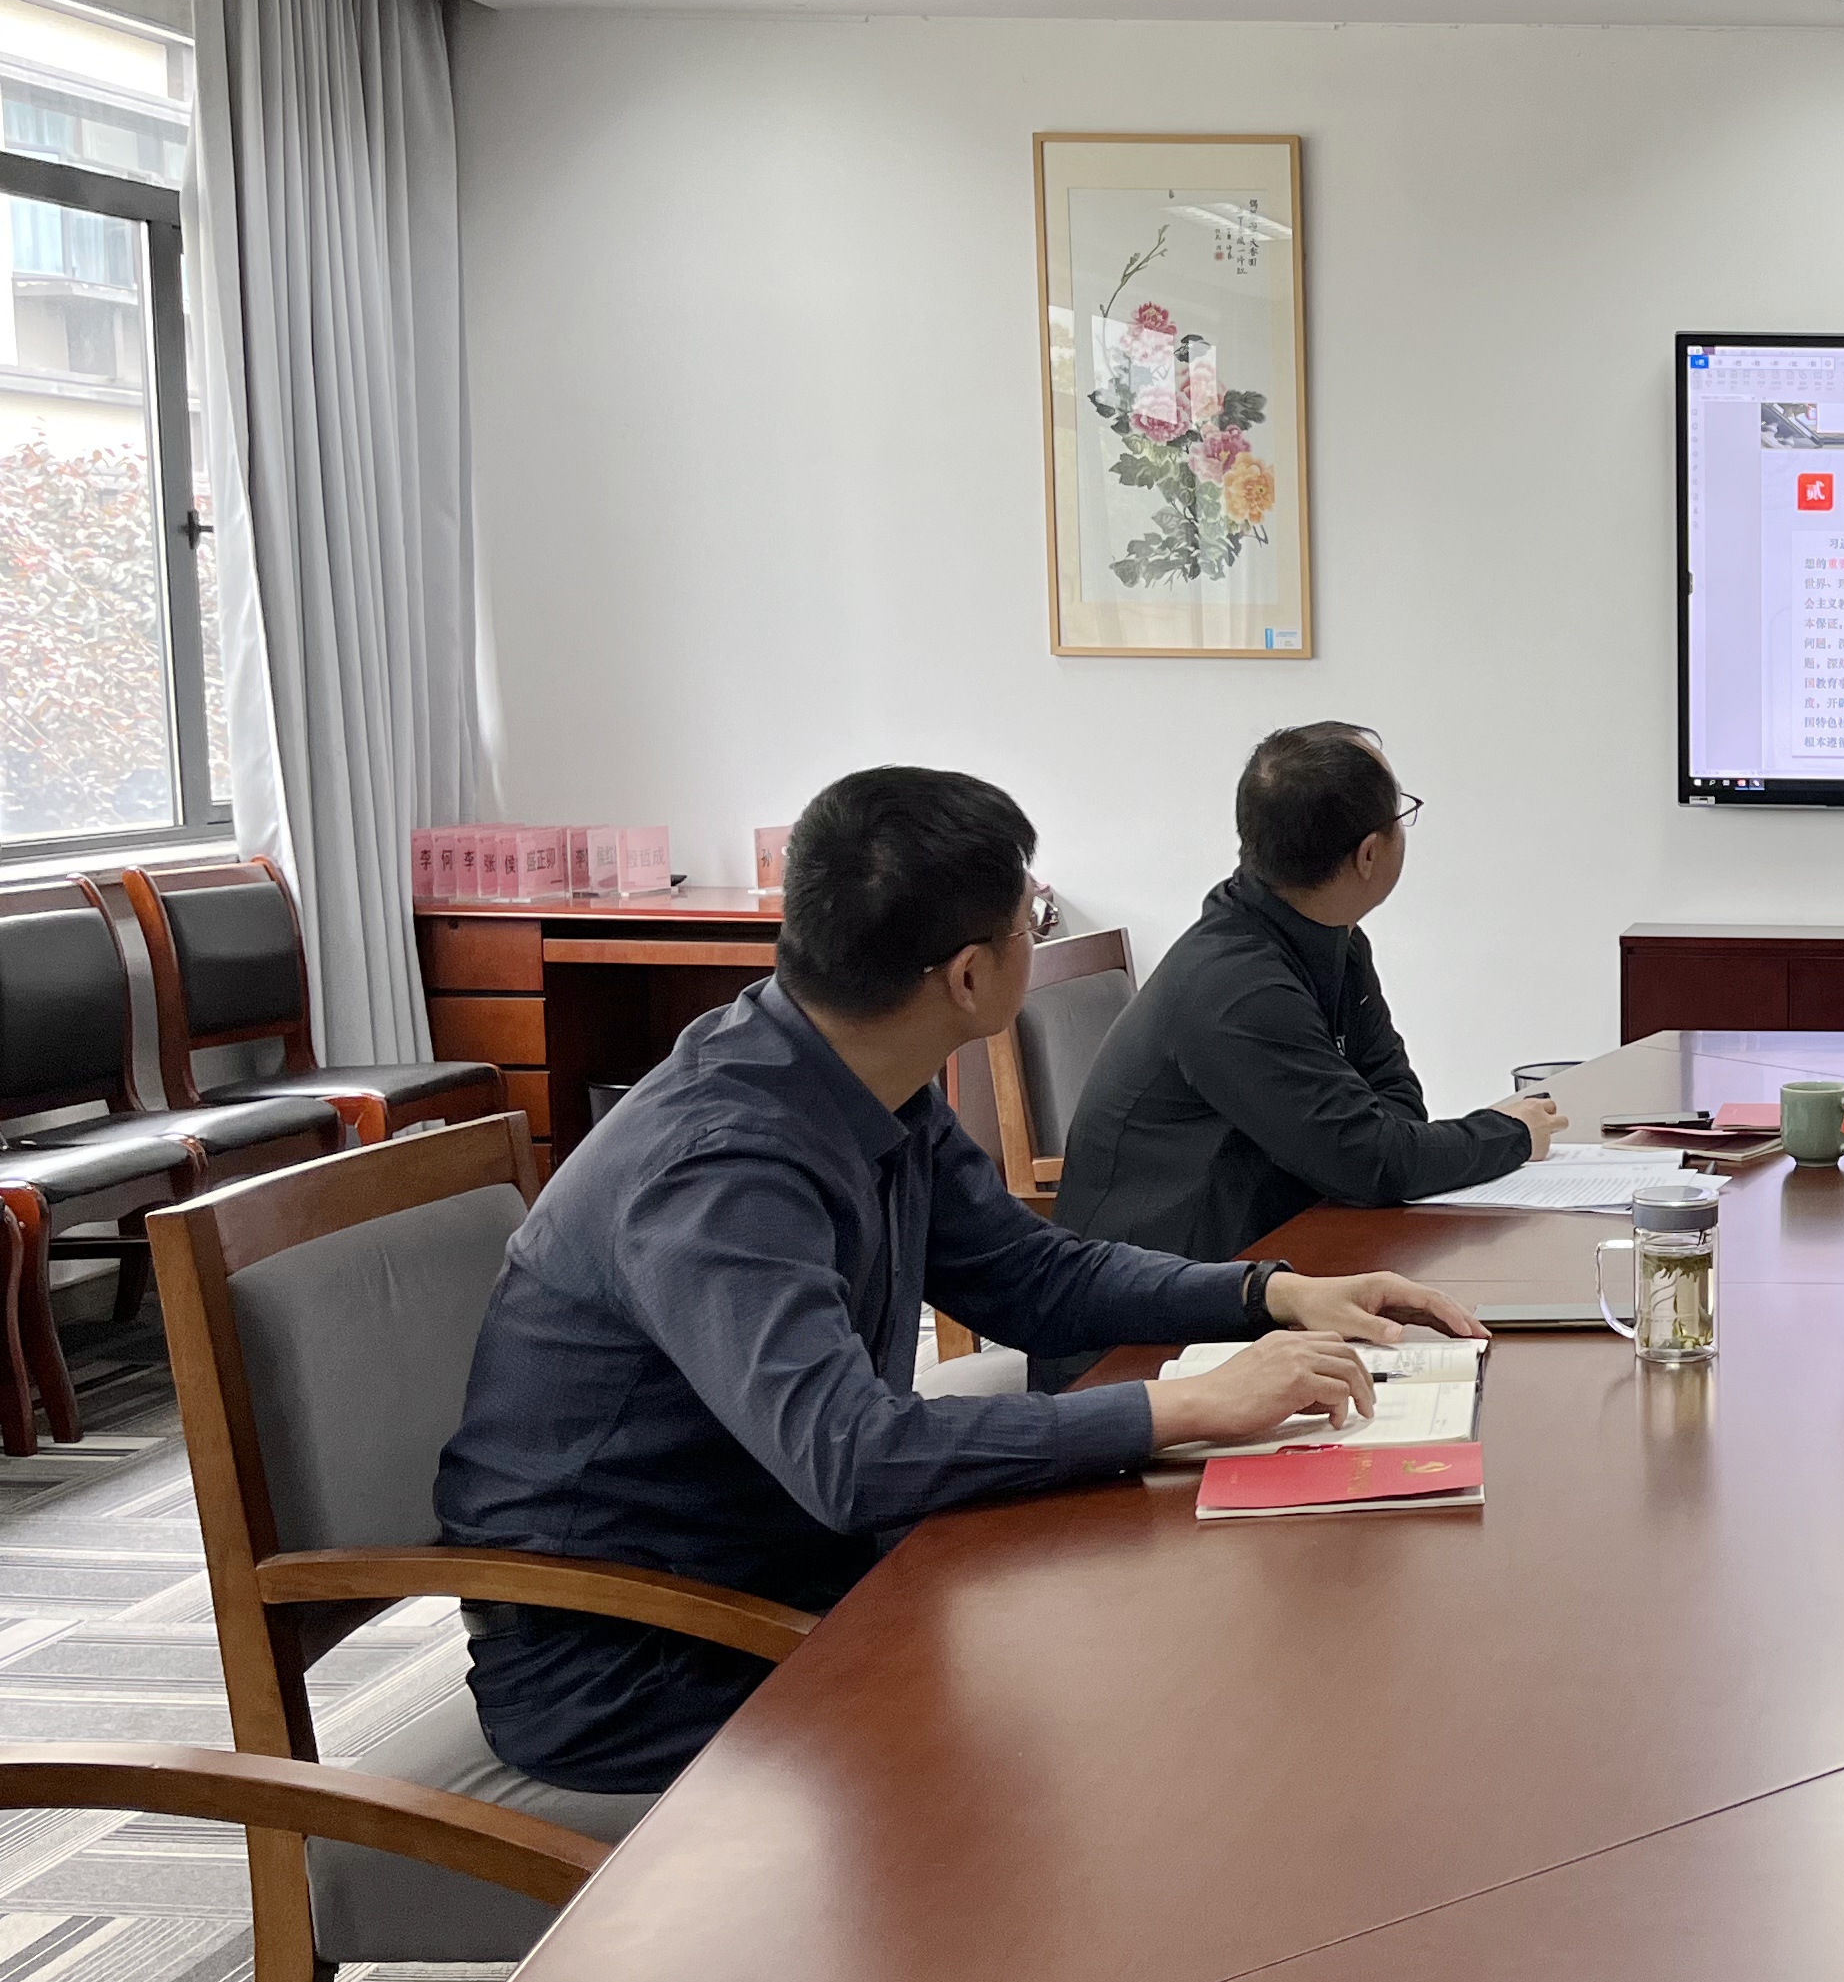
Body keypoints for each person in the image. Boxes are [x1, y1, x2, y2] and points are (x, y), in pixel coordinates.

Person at [437, 767, 1483, 1793]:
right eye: (1032, 921)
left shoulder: (853, 1075)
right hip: (640, 1654)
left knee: (1182, 1643)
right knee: (1151, 1713)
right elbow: (853, 1457)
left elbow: (1028, 1277)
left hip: (794, 1562)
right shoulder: (720, 1168)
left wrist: (1268, 1294)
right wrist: (1186, 1407)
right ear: (972, 977)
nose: (1038, 934)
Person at [1059, 722, 1559, 1260]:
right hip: (1156, 1292)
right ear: (1369, 855)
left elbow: (1395, 1111)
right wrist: (1508, 1135)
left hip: (1267, 1252)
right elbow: (1369, 1161)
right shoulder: (1237, 989)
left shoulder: (1332, 939)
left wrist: (1385, 1147)